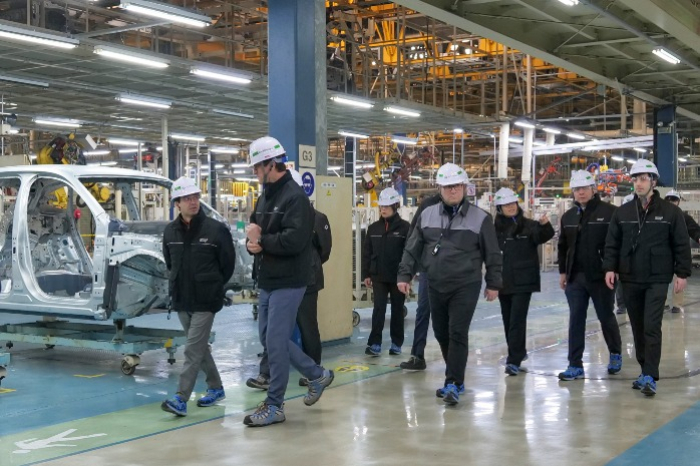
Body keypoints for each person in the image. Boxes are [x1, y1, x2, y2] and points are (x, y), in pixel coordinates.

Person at [244, 136, 334, 427]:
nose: (256, 174)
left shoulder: (295, 198)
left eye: (258, 168)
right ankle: (317, 374)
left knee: (276, 340)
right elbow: (257, 230)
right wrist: (252, 244)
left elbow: (295, 242)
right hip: (268, 277)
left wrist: (263, 241)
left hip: (290, 279)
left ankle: (274, 405)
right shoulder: (266, 195)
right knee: (269, 339)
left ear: (272, 164)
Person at [397, 163, 502, 406]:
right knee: (441, 332)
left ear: (464, 187)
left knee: (457, 331)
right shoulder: (427, 214)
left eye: (455, 186)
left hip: (466, 284)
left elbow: (493, 254)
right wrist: (404, 275)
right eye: (446, 187)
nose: (451, 191)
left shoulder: (481, 218)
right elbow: (412, 247)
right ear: (440, 189)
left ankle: (453, 382)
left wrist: (493, 282)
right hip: (435, 282)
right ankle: (455, 375)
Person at [604, 160, 692, 396]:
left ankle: (651, 375)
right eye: (635, 179)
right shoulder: (622, 212)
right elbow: (612, 243)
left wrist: (682, 273)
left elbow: (681, 243)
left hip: (657, 278)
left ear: (653, 181)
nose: (638, 183)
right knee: (637, 326)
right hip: (630, 277)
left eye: (643, 178)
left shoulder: (670, 212)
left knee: (652, 326)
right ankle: (644, 370)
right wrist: (610, 268)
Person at [161, 176, 236, 417]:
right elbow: (170, 262)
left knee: (192, 349)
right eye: (187, 198)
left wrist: (214, 286)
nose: (193, 202)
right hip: (182, 298)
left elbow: (228, 264)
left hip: (206, 299)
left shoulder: (215, 230)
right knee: (199, 347)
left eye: (195, 197)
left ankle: (181, 398)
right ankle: (215, 387)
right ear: (177, 203)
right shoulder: (170, 231)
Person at [557, 170, 622, 381]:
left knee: (605, 316)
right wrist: (563, 272)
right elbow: (562, 246)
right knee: (576, 319)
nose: (581, 192)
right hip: (576, 277)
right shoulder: (568, 217)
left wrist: (613, 268)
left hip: (601, 276)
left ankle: (615, 353)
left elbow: (616, 244)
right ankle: (575, 364)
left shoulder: (610, 212)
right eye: (577, 189)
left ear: (593, 190)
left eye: (584, 188)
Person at [493, 188, 554, 376]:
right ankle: (518, 352)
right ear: (499, 208)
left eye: (513, 203)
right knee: (507, 319)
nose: (511, 207)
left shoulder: (528, 225)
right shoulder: (494, 229)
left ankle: (514, 359)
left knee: (517, 320)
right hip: (503, 281)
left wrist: (545, 225)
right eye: (506, 205)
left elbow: (543, 236)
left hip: (523, 281)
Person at [362, 187, 410, 356]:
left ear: (395, 206)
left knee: (397, 310)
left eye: (387, 206)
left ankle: (396, 343)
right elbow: (366, 253)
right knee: (378, 310)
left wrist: (408, 276)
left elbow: (409, 254)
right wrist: (366, 274)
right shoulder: (373, 228)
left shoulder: (405, 229)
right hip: (378, 276)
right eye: (381, 206)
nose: (383, 209)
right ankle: (375, 343)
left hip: (398, 277)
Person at [398, 192, 441, 371]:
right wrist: (408, 272)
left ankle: (455, 362)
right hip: (428, 270)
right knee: (423, 311)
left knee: (452, 318)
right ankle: (417, 355)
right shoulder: (428, 205)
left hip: (455, 272)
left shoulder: (464, 209)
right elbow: (413, 238)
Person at [663, 189, 700, 313]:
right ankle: (663, 302)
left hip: (678, 253)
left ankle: (676, 305)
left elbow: (694, 229)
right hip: (662, 254)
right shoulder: (659, 216)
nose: (671, 202)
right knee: (661, 280)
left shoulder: (683, 217)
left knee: (678, 278)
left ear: (678, 202)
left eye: (674, 200)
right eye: (669, 200)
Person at [615, 193, 636, 315]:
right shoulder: (618, 219)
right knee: (621, 283)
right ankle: (622, 305)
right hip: (622, 257)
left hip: (637, 257)